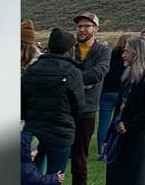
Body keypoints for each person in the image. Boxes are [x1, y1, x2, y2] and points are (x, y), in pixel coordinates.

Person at [22, 27, 84, 178]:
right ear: (69, 49)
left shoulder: (32, 69)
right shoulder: (72, 72)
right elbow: (79, 106)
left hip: (34, 130)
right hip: (60, 133)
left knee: (31, 176)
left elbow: (22, 102)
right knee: (55, 175)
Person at [104, 36, 145, 185]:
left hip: (138, 138)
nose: (123, 55)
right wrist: (108, 136)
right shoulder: (127, 76)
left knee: (136, 176)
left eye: (127, 52)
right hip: (120, 135)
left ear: (137, 54)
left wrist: (130, 124)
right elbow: (119, 108)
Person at [70, 13, 110, 185]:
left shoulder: (103, 51)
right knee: (55, 154)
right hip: (65, 109)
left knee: (80, 159)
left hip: (87, 110)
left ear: (96, 28)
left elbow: (97, 74)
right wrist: (82, 82)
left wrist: (71, 79)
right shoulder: (69, 49)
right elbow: (61, 72)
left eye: (87, 26)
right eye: (79, 26)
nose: (82, 29)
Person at [97, 34, 128, 160]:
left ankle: (101, 152)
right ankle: (114, 148)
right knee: (118, 122)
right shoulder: (127, 57)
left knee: (103, 122)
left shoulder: (109, 54)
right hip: (120, 91)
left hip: (106, 90)